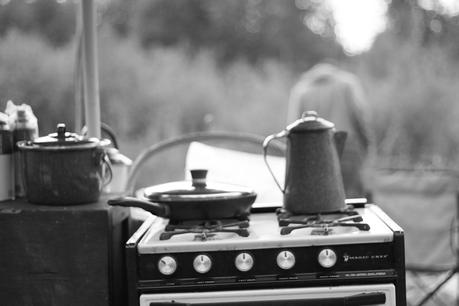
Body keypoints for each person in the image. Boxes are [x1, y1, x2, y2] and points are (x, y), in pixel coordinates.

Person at [287, 63, 372, 198]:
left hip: (313, 154)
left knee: (320, 198)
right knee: (351, 198)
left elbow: (293, 128)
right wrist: (367, 143)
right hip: (347, 148)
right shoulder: (347, 84)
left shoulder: (302, 90)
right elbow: (359, 117)